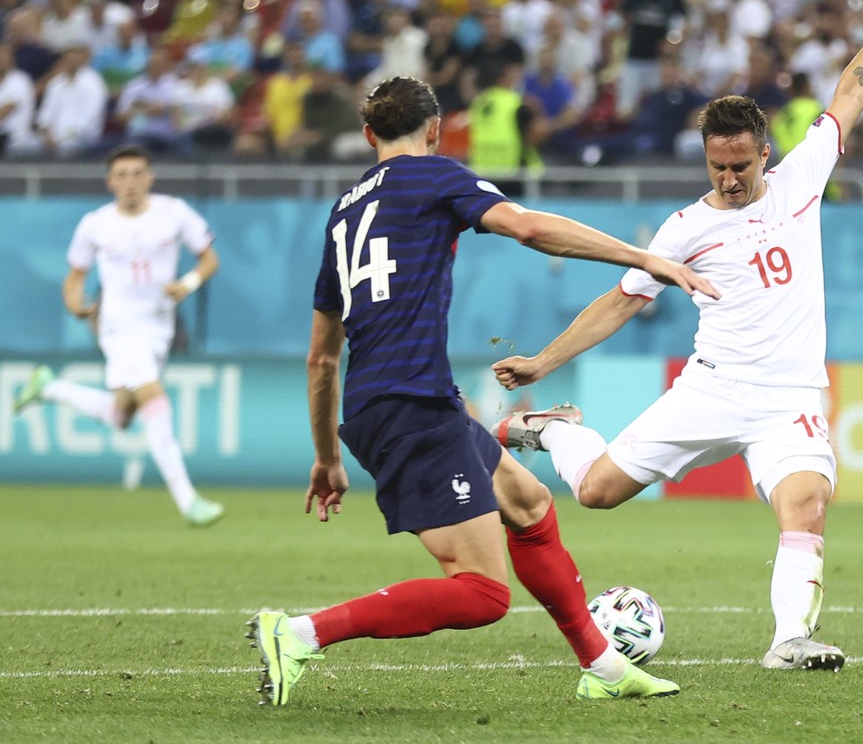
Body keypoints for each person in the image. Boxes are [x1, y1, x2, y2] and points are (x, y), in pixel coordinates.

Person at [488, 0, 863, 673]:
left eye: (741, 166)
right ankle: (551, 429)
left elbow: (854, 86)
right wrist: (543, 362)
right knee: (598, 491)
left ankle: (789, 638)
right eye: (717, 167)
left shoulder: (803, 177)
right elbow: (620, 302)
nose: (728, 180)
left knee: (807, 502)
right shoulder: (684, 229)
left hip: (789, 396)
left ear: (765, 152)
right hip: (713, 387)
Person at [244, 76, 718, 707]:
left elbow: (320, 358)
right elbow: (523, 226)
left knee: (529, 505)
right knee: (483, 593)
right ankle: (300, 632)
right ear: (436, 130)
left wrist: (327, 456)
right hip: (410, 405)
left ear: (367, 137)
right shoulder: (434, 175)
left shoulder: (343, 214)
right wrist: (646, 258)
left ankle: (603, 667)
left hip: (393, 402)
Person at [14, 146, 224, 527]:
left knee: (120, 415)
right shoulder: (95, 223)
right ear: (111, 181)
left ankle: (49, 387)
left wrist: (188, 282)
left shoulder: (174, 212)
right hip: (118, 327)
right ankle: (187, 500)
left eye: (137, 173)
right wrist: (77, 305)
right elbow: (75, 277)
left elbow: (209, 258)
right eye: (122, 175)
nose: (130, 182)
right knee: (153, 397)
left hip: (159, 326)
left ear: (150, 177)